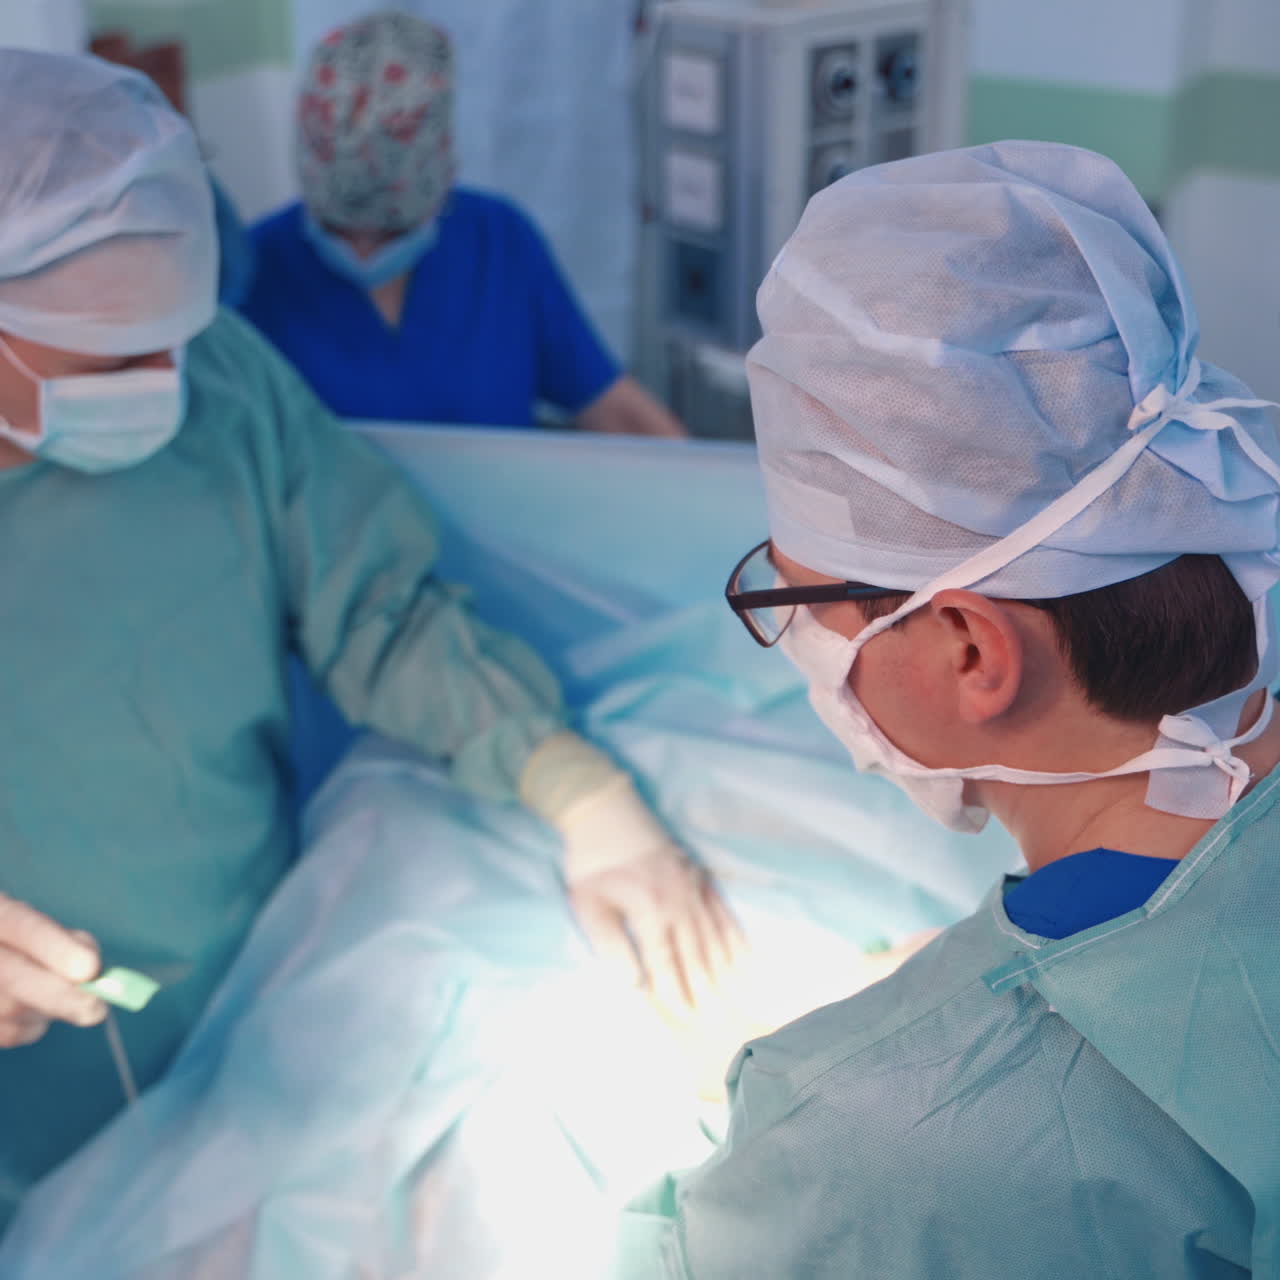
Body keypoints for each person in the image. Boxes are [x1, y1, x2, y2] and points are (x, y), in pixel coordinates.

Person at [0, 48, 733, 1233]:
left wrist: (575, 788)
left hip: (232, 1005)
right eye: (114, 356)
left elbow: (377, 609)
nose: (161, 384)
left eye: (173, 339)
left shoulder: (223, 388)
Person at [619, 140, 1280, 1276]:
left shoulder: (869, 1146)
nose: (801, 641)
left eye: (798, 595)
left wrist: (873, 1070)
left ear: (972, 646)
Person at [241, 11, 684, 438]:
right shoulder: (251, 272)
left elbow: (613, 406)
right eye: (341, 226)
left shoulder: (499, 241)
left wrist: (713, 497)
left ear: (443, 159)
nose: (365, 247)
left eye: (393, 230)